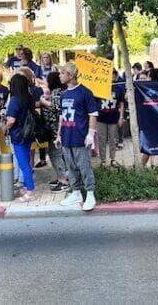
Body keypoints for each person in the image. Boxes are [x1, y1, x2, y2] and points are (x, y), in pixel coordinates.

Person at [57, 63, 99, 211]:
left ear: (71, 75)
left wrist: (90, 134)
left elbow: (93, 114)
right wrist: (58, 134)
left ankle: (90, 194)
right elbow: (62, 117)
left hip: (80, 137)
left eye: (63, 73)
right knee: (71, 166)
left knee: (84, 166)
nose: (60, 75)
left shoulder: (85, 92)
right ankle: (76, 193)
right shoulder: (63, 94)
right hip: (67, 137)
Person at [3, 74, 37, 202]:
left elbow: (11, 120)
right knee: (26, 161)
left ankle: (30, 192)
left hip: (18, 135)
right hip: (28, 134)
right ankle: (27, 186)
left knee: (24, 164)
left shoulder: (15, 100)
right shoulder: (28, 98)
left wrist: (4, 128)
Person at [41, 71, 69, 192]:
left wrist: (43, 102)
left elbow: (56, 108)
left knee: (56, 154)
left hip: (55, 129)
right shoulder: (62, 91)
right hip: (58, 129)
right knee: (56, 154)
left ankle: (63, 180)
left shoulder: (57, 92)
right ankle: (61, 177)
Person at [96, 70, 125, 167]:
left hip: (113, 117)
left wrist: (121, 117)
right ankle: (103, 160)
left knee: (113, 139)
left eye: (113, 76)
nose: (111, 78)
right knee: (102, 139)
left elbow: (121, 103)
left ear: (115, 76)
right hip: (101, 118)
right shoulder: (99, 88)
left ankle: (113, 159)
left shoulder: (118, 88)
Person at [141, 69, 158, 168]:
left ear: (151, 77)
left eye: (148, 76)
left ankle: (140, 167)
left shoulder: (148, 89)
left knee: (149, 147)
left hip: (151, 122)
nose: (147, 78)